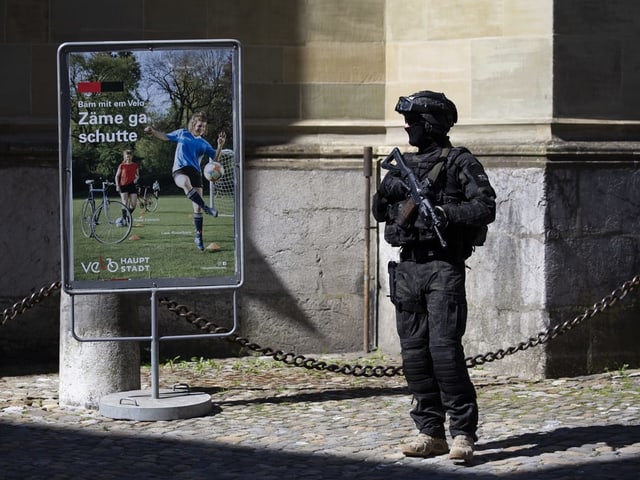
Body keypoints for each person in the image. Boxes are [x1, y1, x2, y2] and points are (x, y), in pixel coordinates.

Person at [372, 90, 496, 462]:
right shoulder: (401, 166)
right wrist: (390, 188)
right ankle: (429, 431)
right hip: (408, 267)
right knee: (414, 356)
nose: (407, 127)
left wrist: (445, 213)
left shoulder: (459, 162)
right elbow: (380, 211)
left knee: (444, 352)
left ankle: (461, 432)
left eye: (413, 121)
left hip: (443, 266)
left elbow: (485, 206)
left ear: (431, 124)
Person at [144, 112, 226, 251]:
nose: (202, 129)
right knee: (184, 183)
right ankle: (208, 208)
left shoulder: (204, 143)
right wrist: (152, 131)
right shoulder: (182, 133)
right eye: (200, 126)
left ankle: (199, 237)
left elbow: (216, 159)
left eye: (204, 127)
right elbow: (165, 136)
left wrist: (220, 146)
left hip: (196, 173)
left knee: (197, 208)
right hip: (180, 170)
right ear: (193, 124)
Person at [114, 149, 139, 225]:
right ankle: (124, 220)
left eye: (129, 156)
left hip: (132, 185)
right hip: (123, 185)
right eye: (127, 156)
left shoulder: (135, 165)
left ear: (131, 157)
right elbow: (117, 176)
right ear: (124, 157)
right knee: (125, 203)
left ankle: (128, 215)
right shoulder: (122, 165)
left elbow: (137, 175)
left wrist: (136, 179)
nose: (128, 158)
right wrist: (117, 185)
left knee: (133, 204)